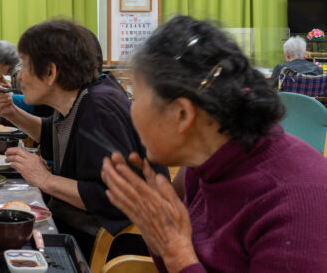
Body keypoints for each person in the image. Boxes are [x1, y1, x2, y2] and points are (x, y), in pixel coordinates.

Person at [101, 15, 327, 272]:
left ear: (182, 114)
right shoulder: (205, 164)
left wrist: (177, 254)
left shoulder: (295, 202)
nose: (131, 109)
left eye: (136, 96)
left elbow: (185, 258)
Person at [0, 19, 168, 256]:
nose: (20, 76)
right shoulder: (81, 97)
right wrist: (10, 112)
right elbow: (53, 135)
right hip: (77, 227)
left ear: (51, 72)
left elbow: (114, 197)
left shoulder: (99, 108)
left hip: (108, 244)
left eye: (26, 65)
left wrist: (46, 179)